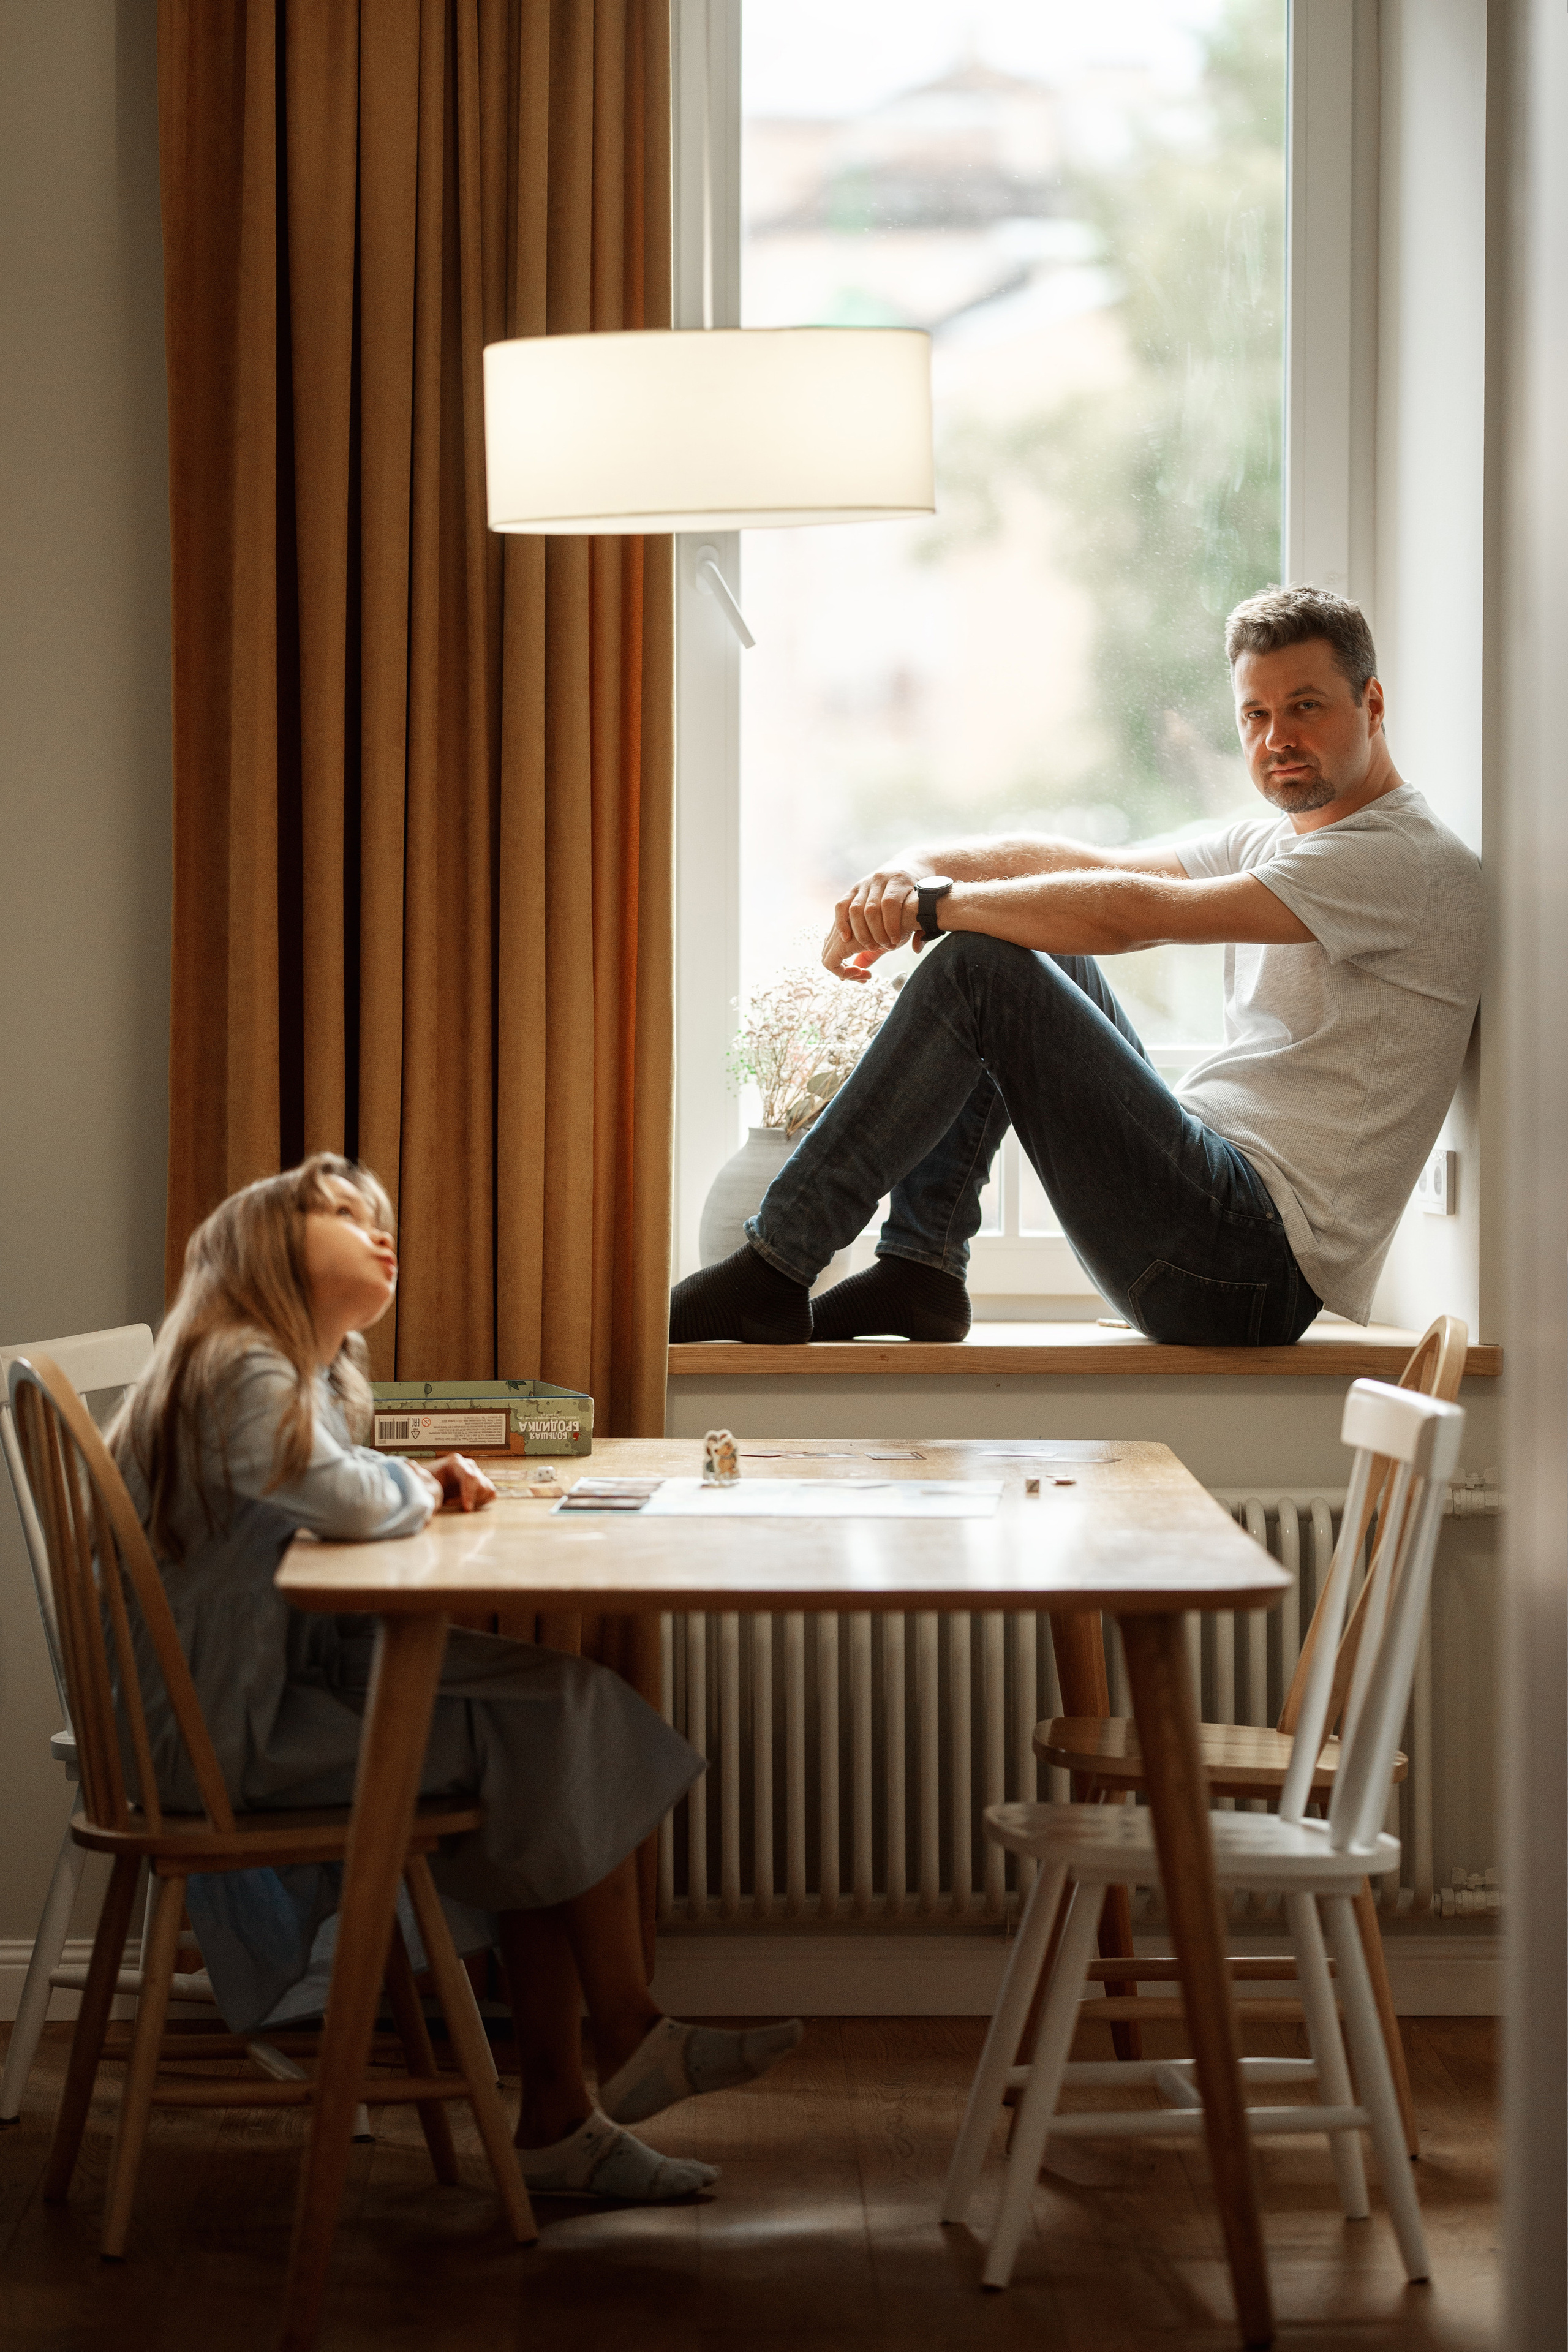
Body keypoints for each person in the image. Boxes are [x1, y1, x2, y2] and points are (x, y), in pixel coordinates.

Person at [111, 1153, 801, 2201]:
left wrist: (399, 1482)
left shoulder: (292, 1371)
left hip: (270, 1694)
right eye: (343, 1214)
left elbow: (337, 1488)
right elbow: (336, 1498)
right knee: (543, 1747)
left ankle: (604, 2064)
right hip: (225, 1735)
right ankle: (603, 2065)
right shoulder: (239, 1367)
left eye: (378, 1215)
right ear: (262, 1253)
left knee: (565, 1703)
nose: (377, 1232)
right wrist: (408, 1485)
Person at [670, 585, 1485, 1349]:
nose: (1277, 740)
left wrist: (933, 909)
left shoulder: (1400, 862)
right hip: (1212, 1215)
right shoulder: (1278, 840)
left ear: (1372, 705)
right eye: (1256, 715)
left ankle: (775, 1263)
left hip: (1247, 1264)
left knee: (982, 967)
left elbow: (1139, 916)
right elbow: (1081, 865)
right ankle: (918, 1268)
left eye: (1304, 708)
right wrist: (916, 865)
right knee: (1034, 935)